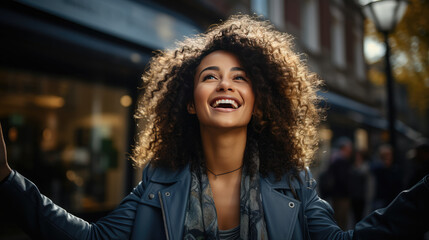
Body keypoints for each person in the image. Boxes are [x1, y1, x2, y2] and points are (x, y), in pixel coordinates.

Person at [0, 15, 429, 240]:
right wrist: (5, 179)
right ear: (189, 102)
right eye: (210, 76)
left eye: (240, 77)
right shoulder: (157, 182)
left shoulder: (293, 183)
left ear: (259, 103)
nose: (225, 82)